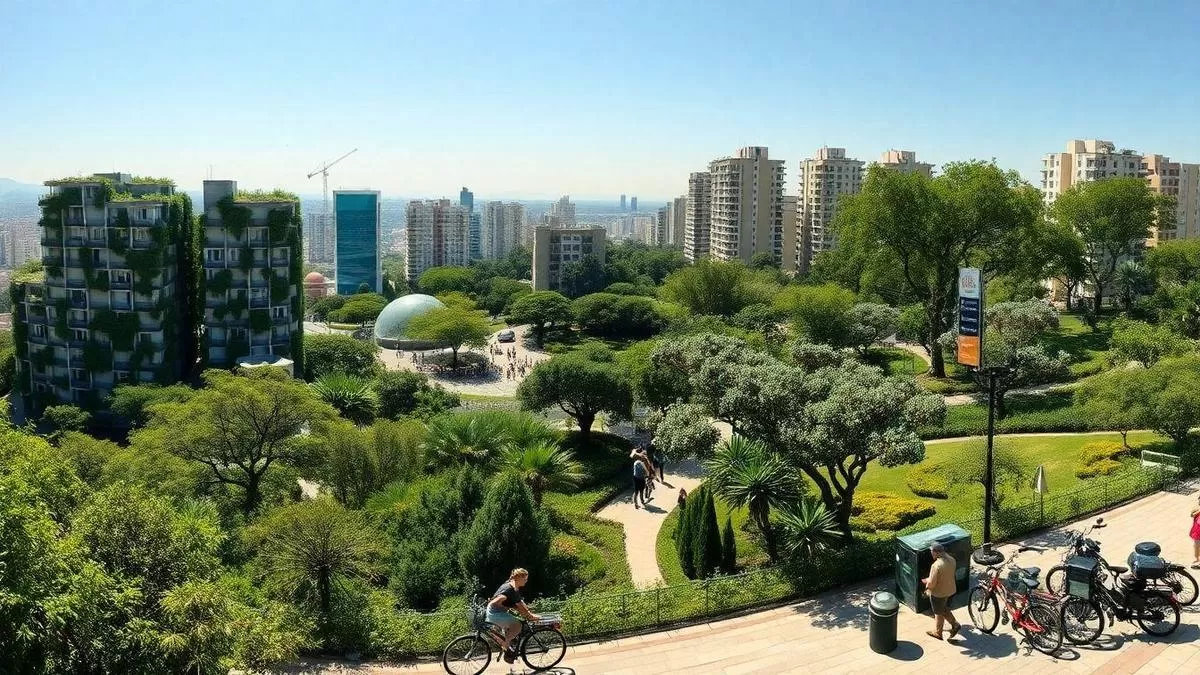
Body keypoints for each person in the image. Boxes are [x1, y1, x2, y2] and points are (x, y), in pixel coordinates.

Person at [486, 568, 540, 663]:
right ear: (518, 578)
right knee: (518, 625)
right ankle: (505, 645)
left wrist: (527, 610)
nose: (526, 581)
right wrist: (530, 616)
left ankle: (508, 646)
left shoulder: (509, 584)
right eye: (525, 579)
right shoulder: (512, 589)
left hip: (493, 610)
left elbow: (519, 601)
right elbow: (520, 606)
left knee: (511, 627)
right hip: (495, 613)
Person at [922, 542, 961, 640]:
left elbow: (932, 583)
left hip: (938, 593)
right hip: (950, 589)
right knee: (943, 608)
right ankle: (955, 624)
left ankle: (938, 632)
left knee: (938, 612)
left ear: (936, 552)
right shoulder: (952, 559)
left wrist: (927, 584)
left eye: (932, 551)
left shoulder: (936, 565)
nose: (931, 553)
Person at [1190, 495, 1200, 569]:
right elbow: (1192, 515)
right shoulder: (1197, 509)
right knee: (1196, 546)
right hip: (1197, 532)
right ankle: (1197, 558)